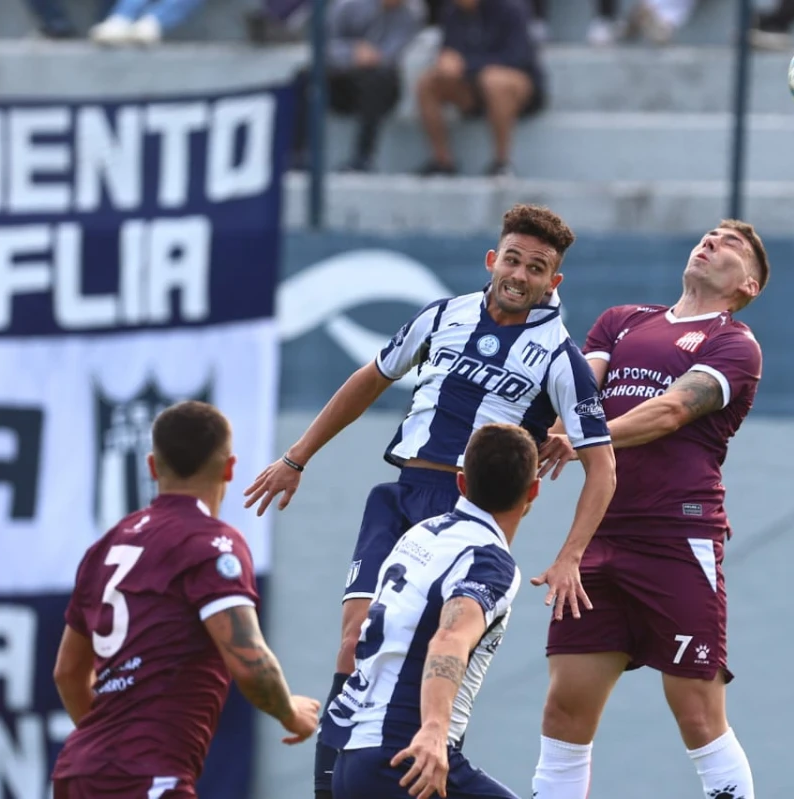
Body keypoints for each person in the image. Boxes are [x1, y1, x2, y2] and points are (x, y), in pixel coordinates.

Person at [241, 203, 616, 799]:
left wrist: (571, 553)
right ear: (493, 259)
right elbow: (372, 376)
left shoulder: (560, 357)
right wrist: (296, 458)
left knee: (441, 642)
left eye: (537, 268)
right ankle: (329, 787)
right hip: (400, 494)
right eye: (513, 260)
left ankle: (433, 749)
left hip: (463, 505)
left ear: (554, 281)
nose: (520, 275)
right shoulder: (444, 315)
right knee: (356, 638)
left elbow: (603, 466)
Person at [531, 220, 769, 799]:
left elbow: (669, 412)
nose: (711, 243)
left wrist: (585, 437)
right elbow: (574, 396)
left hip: (677, 537)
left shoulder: (734, 343)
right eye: (709, 236)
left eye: (731, 244)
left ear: (750, 286)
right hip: (599, 536)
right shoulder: (623, 321)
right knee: (564, 712)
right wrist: (551, 431)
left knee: (696, 714)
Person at [51, 400, 320, 799]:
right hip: (148, 775)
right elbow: (250, 662)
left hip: (78, 772)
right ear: (229, 467)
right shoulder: (212, 542)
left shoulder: (106, 545)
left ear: (152, 465)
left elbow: (68, 674)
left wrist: (111, 748)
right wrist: (290, 714)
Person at [323, 422, 538, 799]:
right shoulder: (487, 561)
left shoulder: (420, 534)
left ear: (460, 482)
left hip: (353, 761)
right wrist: (435, 730)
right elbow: (451, 636)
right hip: (406, 759)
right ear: (533, 492)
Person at [414, 0, 546, 177]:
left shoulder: (512, 8)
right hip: (473, 88)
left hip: (516, 87)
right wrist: (446, 63)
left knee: (494, 81)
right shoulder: (451, 12)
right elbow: (450, 53)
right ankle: (442, 161)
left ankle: (501, 163)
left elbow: (518, 57)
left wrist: (466, 64)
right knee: (428, 82)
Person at [291, 0, 423, 173]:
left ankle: (363, 158)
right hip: (343, 76)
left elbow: (389, 56)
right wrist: (351, 52)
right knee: (305, 76)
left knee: (379, 79)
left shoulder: (411, 15)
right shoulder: (348, 5)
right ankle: (299, 153)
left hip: (378, 85)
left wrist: (369, 57)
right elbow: (323, 44)